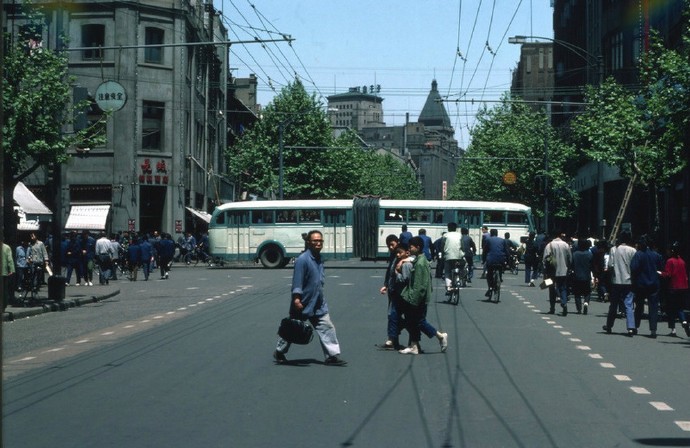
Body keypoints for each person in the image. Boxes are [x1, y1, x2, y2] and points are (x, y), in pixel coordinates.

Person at [273, 230, 346, 366]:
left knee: (327, 327)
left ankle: (332, 356)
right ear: (308, 242)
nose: (318, 243)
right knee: (293, 328)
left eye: (320, 241)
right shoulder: (302, 260)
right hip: (303, 302)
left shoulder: (319, 259)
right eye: (315, 241)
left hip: (318, 302)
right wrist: (296, 299)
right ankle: (279, 351)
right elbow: (297, 281)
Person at [396, 238, 447, 354]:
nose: (409, 249)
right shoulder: (420, 260)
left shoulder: (419, 263)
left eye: (411, 247)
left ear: (418, 248)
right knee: (413, 321)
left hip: (417, 299)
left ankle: (440, 336)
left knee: (419, 321)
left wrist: (412, 300)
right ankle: (414, 346)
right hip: (419, 298)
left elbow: (419, 285)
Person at [602, 232, 637, 336]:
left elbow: (610, 265)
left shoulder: (614, 249)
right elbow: (634, 266)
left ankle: (609, 325)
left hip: (616, 280)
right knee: (629, 304)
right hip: (628, 281)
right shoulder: (633, 250)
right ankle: (631, 327)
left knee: (613, 304)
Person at [631, 235, 663, 338]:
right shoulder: (657, 255)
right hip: (654, 283)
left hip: (641, 284)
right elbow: (660, 268)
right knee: (653, 307)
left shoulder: (638, 254)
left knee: (639, 306)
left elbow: (634, 268)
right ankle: (653, 330)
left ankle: (635, 326)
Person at [659, 242, 689, 337]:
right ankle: (684, 321)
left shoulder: (670, 261)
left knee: (671, 308)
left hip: (673, 287)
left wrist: (660, 273)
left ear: (671, 251)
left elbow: (668, 274)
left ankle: (673, 329)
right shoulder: (682, 261)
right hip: (683, 287)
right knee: (680, 307)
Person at [379, 235, 403, 349]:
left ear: (397, 242)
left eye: (392, 245)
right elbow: (389, 271)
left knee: (393, 314)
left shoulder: (401, 255)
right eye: (389, 246)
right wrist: (386, 285)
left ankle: (392, 339)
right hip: (392, 288)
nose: (391, 247)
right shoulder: (394, 255)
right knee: (394, 314)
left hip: (398, 290)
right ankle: (393, 339)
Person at [542, 230, 572, 315]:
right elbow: (570, 258)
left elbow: (545, 259)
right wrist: (568, 268)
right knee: (563, 287)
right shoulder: (566, 245)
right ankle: (564, 302)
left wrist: (544, 272)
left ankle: (552, 308)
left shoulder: (549, 245)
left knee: (551, 289)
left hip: (551, 271)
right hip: (563, 271)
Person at [483, 228, 510, 300]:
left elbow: (485, 251)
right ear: (497, 234)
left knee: (489, 274)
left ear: (491, 234)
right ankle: (500, 278)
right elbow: (506, 251)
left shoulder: (488, 240)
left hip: (491, 260)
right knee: (500, 269)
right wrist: (508, 261)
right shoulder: (502, 240)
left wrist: (483, 260)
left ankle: (490, 288)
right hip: (501, 259)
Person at [571, 239, 594, 314]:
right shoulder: (589, 254)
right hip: (587, 276)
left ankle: (579, 309)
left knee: (577, 293)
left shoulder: (575, 254)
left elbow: (571, 265)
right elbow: (592, 266)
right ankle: (586, 302)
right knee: (587, 292)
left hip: (576, 276)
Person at [443, 222, 464, 293]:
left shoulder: (445, 235)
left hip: (448, 256)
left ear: (448, 228)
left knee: (447, 271)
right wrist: (463, 252)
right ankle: (458, 279)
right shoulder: (460, 235)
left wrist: (442, 254)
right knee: (460, 267)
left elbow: (442, 246)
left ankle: (449, 287)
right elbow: (462, 246)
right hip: (458, 256)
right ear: (456, 228)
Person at [2, 237, 16, 311]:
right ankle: (3, 305)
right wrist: (12, 270)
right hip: (4, 272)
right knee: (4, 289)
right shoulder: (7, 247)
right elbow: (10, 259)